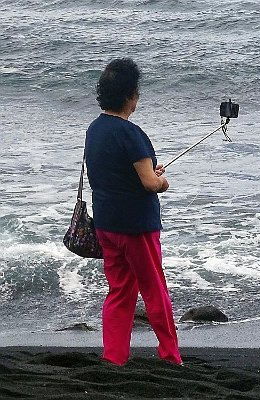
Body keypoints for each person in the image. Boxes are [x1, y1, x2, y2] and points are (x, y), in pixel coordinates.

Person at [85, 58, 182, 366]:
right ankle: (170, 355)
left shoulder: (94, 129)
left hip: (106, 225)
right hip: (136, 227)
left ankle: (114, 356)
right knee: (154, 291)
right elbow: (150, 183)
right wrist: (161, 180)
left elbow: (112, 171)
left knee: (119, 292)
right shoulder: (132, 133)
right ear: (130, 95)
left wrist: (148, 173)